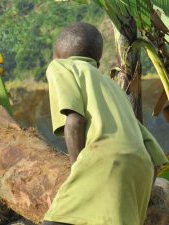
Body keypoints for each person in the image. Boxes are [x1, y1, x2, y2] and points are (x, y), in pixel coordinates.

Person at [42, 22, 168, 225]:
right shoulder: (112, 87)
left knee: (57, 221)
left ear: (57, 54)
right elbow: (155, 156)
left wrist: (77, 169)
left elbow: (75, 120)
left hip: (104, 159)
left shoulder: (62, 66)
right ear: (97, 63)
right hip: (142, 167)